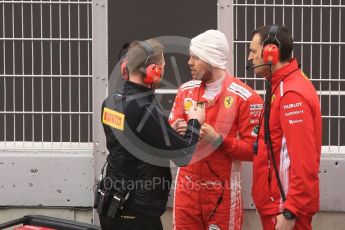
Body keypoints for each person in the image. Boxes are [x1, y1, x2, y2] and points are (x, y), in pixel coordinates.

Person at [97, 38, 205, 230]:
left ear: (125, 69)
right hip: (138, 211)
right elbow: (184, 155)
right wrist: (195, 122)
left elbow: (138, 139)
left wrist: (168, 130)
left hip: (113, 201)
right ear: (153, 71)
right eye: (162, 67)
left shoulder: (110, 101)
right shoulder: (144, 109)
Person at [169, 29, 263, 230]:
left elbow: (254, 151)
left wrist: (218, 140)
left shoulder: (246, 97)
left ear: (211, 58)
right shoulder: (185, 91)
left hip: (223, 194)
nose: (189, 62)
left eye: (195, 57)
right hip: (186, 191)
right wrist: (173, 131)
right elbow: (168, 141)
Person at [248, 25, 322, 230]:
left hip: (284, 209)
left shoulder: (291, 94)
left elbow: (304, 160)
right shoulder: (282, 86)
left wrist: (291, 210)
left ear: (272, 52)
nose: (249, 57)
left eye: (253, 51)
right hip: (277, 205)